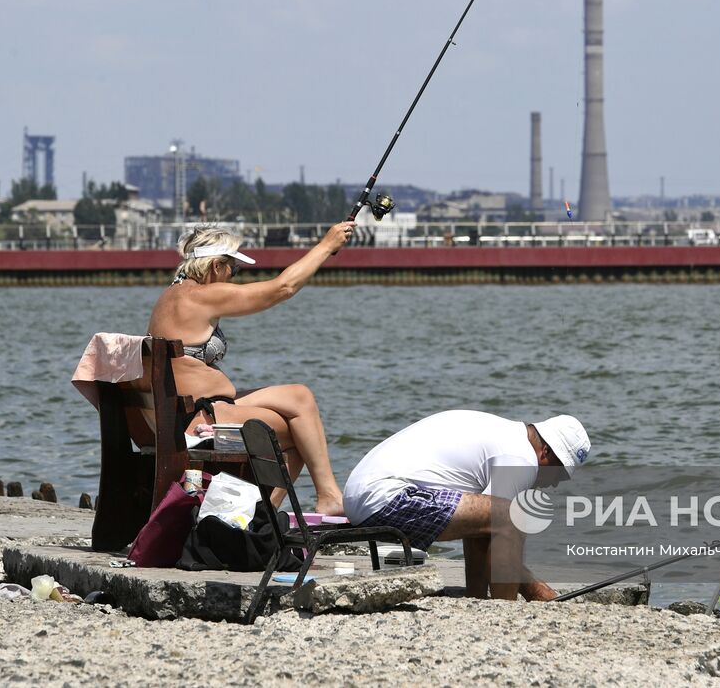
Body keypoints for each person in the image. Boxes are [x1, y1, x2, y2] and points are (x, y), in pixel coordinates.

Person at [148, 222, 354, 516]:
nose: (233, 276)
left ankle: (318, 497)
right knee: (298, 433)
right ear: (216, 266)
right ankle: (273, 514)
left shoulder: (172, 295)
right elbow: (283, 287)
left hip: (187, 410)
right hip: (197, 420)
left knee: (300, 396)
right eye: (233, 269)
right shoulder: (201, 296)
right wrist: (326, 246)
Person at [343, 410, 590, 600]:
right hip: (386, 498)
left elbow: (484, 528)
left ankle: (477, 599)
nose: (554, 483)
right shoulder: (521, 458)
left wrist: (531, 588)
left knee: (492, 517)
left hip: (363, 496)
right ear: (545, 452)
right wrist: (534, 590)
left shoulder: (506, 435)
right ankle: (506, 612)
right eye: (559, 473)